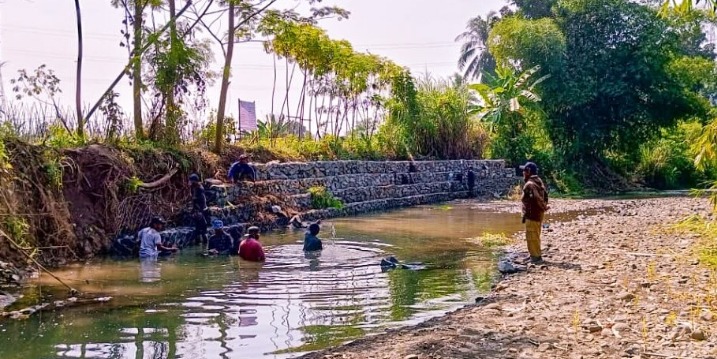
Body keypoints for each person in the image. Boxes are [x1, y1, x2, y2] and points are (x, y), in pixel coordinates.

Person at [519, 161, 549, 264]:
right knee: (535, 235)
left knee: (532, 236)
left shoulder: (529, 184)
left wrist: (543, 207)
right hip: (538, 214)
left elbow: (537, 198)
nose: (523, 173)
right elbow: (545, 196)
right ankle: (533, 254)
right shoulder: (538, 181)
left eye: (524, 171)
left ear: (528, 171)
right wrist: (543, 208)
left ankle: (536, 257)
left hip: (532, 214)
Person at [189, 173, 211, 244]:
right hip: (197, 210)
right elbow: (194, 200)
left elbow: (202, 201)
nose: (190, 182)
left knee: (204, 230)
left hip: (202, 210)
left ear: (195, 181)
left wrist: (200, 211)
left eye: (191, 181)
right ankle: (198, 243)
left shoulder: (200, 189)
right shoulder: (193, 187)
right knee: (198, 229)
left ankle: (205, 247)